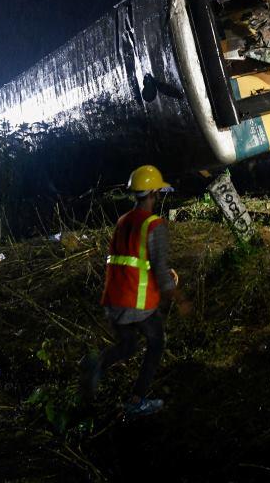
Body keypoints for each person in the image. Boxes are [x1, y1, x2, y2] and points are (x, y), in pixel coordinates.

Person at [81, 164, 191, 416]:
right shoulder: (154, 225)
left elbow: (133, 259)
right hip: (137, 301)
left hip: (113, 300)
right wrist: (180, 298)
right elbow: (160, 273)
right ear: (153, 193)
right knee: (157, 343)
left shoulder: (123, 221)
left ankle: (97, 363)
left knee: (128, 346)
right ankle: (136, 400)